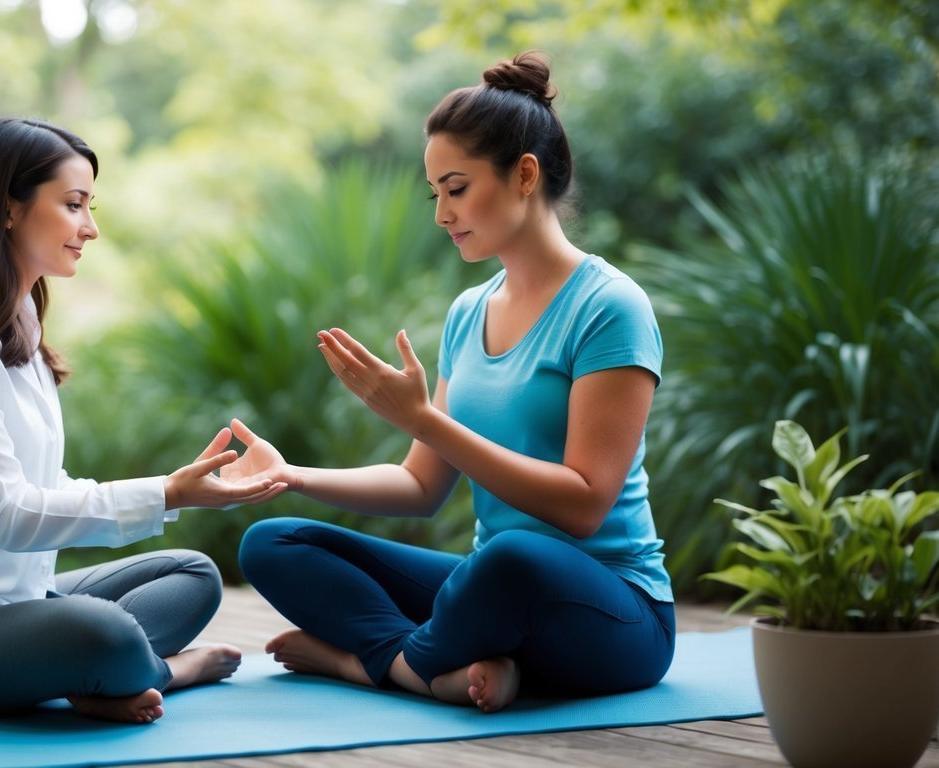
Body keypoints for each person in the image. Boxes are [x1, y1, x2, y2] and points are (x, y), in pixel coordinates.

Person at [228, 52, 675, 713]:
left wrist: (423, 420)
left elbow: (584, 505)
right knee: (273, 542)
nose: (441, 213)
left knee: (512, 558)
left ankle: (373, 665)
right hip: (490, 589)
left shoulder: (609, 307)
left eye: (456, 187)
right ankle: (449, 664)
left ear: (524, 175)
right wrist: (293, 476)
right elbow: (420, 486)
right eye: (433, 192)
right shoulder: (470, 312)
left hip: (614, 614)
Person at [0, 117, 286, 725]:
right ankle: (156, 670)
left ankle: (100, 673)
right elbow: (10, 516)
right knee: (102, 634)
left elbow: (46, 488)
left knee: (193, 574)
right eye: (74, 204)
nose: (92, 227)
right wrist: (162, 492)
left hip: (22, 604)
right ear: (9, 209)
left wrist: (177, 493)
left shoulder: (18, 316)